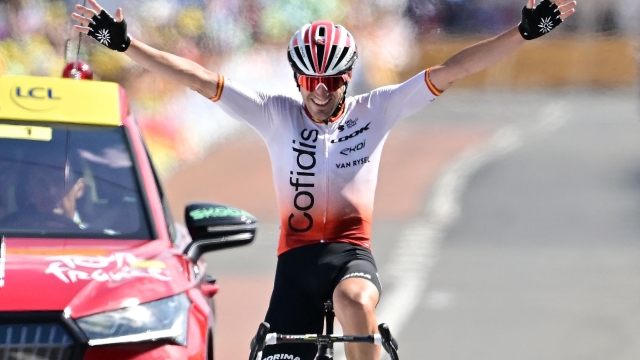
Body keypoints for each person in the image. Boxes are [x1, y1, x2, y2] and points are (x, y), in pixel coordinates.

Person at [71, 0, 576, 358]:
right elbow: (198, 80)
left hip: (350, 256)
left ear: (346, 78)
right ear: (297, 79)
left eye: (331, 80)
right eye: (310, 80)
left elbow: (454, 68)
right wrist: (126, 44)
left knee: (356, 302)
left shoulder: (377, 108)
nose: (320, 91)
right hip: (294, 265)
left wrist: (522, 32)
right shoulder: (275, 114)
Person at [0, 164, 86, 231]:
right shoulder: (9, 229)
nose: (50, 191)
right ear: (30, 191)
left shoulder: (96, 233)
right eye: (41, 182)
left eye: (58, 180)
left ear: (79, 188)